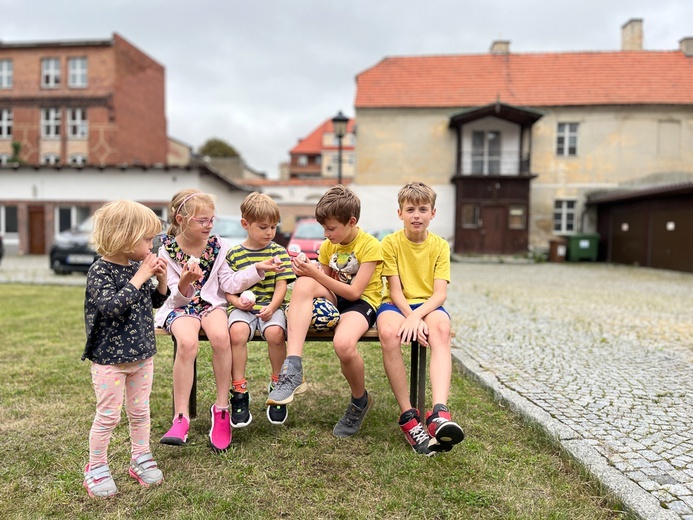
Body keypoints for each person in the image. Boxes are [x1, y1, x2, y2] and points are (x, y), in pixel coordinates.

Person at [156, 189, 283, 451]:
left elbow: (228, 283)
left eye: (211, 219)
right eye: (202, 221)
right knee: (188, 343)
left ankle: (222, 408)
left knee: (220, 337)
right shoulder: (166, 250)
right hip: (180, 307)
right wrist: (185, 281)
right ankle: (181, 418)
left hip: (210, 306)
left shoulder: (219, 246)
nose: (209, 225)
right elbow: (174, 297)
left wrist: (257, 269)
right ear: (181, 219)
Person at [267, 185, 383, 438]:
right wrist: (308, 272)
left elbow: (353, 293)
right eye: (324, 228)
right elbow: (323, 283)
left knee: (343, 345)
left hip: (360, 303)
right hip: (337, 298)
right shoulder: (329, 245)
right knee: (306, 283)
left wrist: (314, 274)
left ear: (352, 222)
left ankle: (359, 400)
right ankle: (293, 368)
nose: (326, 233)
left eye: (331, 228)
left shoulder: (371, 246)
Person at [82, 200, 170, 498]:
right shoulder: (100, 271)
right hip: (110, 359)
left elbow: (153, 303)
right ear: (124, 236)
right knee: (108, 415)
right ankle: (96, 467)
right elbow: (111, 307)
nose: (152, 244)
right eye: (147, 238)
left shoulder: (136, 268)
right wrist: (142, 276)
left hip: (142, 356)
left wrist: (161, 280)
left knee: (140, 411)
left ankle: (140, 457)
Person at [376, 182, 464, 456]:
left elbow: (439, 294)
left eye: (422, 209)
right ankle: (409, 417)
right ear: (400, 213)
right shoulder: (390, 243)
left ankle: (439, 413)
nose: (416, 215)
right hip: (396, 304)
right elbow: (394, 290)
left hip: (427, 304)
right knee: (389, 333)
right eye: (410, 209)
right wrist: (411, 316)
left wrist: (418, 316)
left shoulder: (439, 246)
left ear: (433, 213)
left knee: (441, 328)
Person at [225, 192, 295, 426]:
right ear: (245, 224)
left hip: (270, 306)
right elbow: (228, 288)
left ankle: (278, 385)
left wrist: (272, 308)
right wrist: (236, 303)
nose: (269, 233)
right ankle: (239, 390)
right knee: (237, 333)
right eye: (263, 227)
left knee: (276, 334)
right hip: (242, 309)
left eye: (274, 227)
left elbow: (282, 286)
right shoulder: (234, 254)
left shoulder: (279, 252)